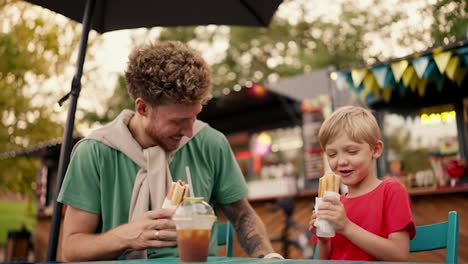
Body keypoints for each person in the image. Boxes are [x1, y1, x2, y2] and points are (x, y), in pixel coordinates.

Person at [57, 40, 281, 261]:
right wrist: (125, 237)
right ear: (142, 107)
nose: (190, 132)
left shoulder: (211, 143)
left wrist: (268, 256)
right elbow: (71, 248)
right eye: (178, 121)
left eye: (195, 116)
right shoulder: (94, 152)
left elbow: (243, 216)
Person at [309, 106, 415, 261]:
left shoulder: (391, 191)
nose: (341, 161)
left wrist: (346, 227)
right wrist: (323, 240)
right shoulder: (336, 204)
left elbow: (399, 255)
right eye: (332, 154)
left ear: (376, 150)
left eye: (352, 152)